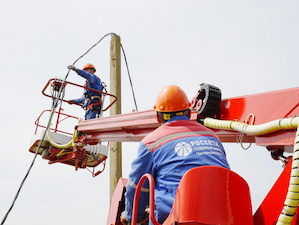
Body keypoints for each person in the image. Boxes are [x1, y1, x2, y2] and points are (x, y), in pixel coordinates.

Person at [121, 85, 230, 225]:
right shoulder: (214, 138)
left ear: (157, 117)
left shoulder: (151, 143)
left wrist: (132, 218)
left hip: (179, 219)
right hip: (223, 217)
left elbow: (136, 188)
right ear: (189, 113)